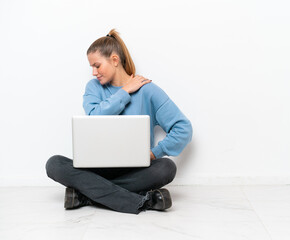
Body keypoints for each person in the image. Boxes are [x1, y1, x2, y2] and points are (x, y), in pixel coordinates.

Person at [45, 29, 193, 214]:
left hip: (135, 170)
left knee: (166, 168)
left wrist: (154, 153)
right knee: (54, 164)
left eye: (97, 66)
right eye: (91, 67)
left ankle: (85, 194)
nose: (93, 72)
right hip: (97, 168)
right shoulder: (93, 88)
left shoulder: (148, 90)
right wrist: (124, 92)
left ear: (114, 60)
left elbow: (183, 128)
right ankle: (143, 201)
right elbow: (94, 118)